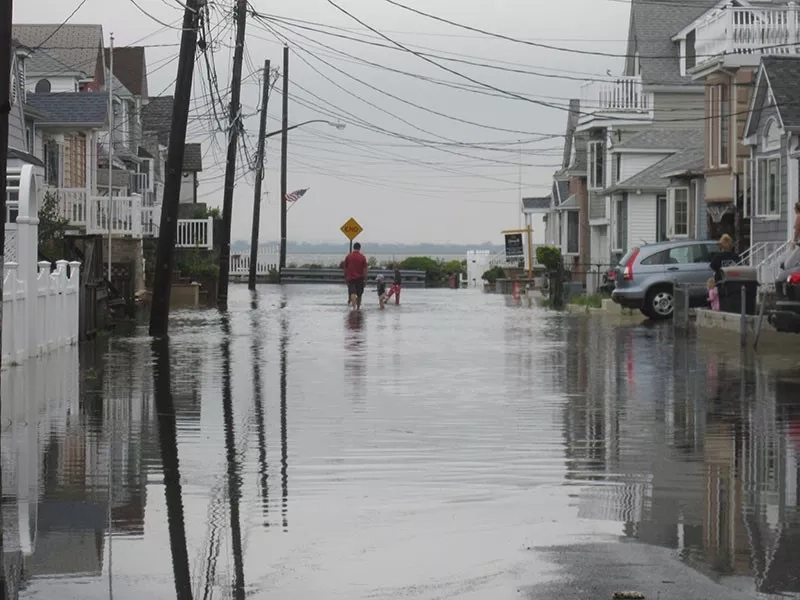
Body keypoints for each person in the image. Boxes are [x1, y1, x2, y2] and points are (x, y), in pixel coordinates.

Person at [343, 242, 368, 310]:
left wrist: (345, 277)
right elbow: (365, 269)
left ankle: (354, 308)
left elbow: (345, 268)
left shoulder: (348, 256)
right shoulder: (363, 257)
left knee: (352, 293)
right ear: (359, 248)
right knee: (359, 295)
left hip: (351, 278)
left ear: (353, 247)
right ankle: (358, 308)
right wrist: (365, 279)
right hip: (360, 278)